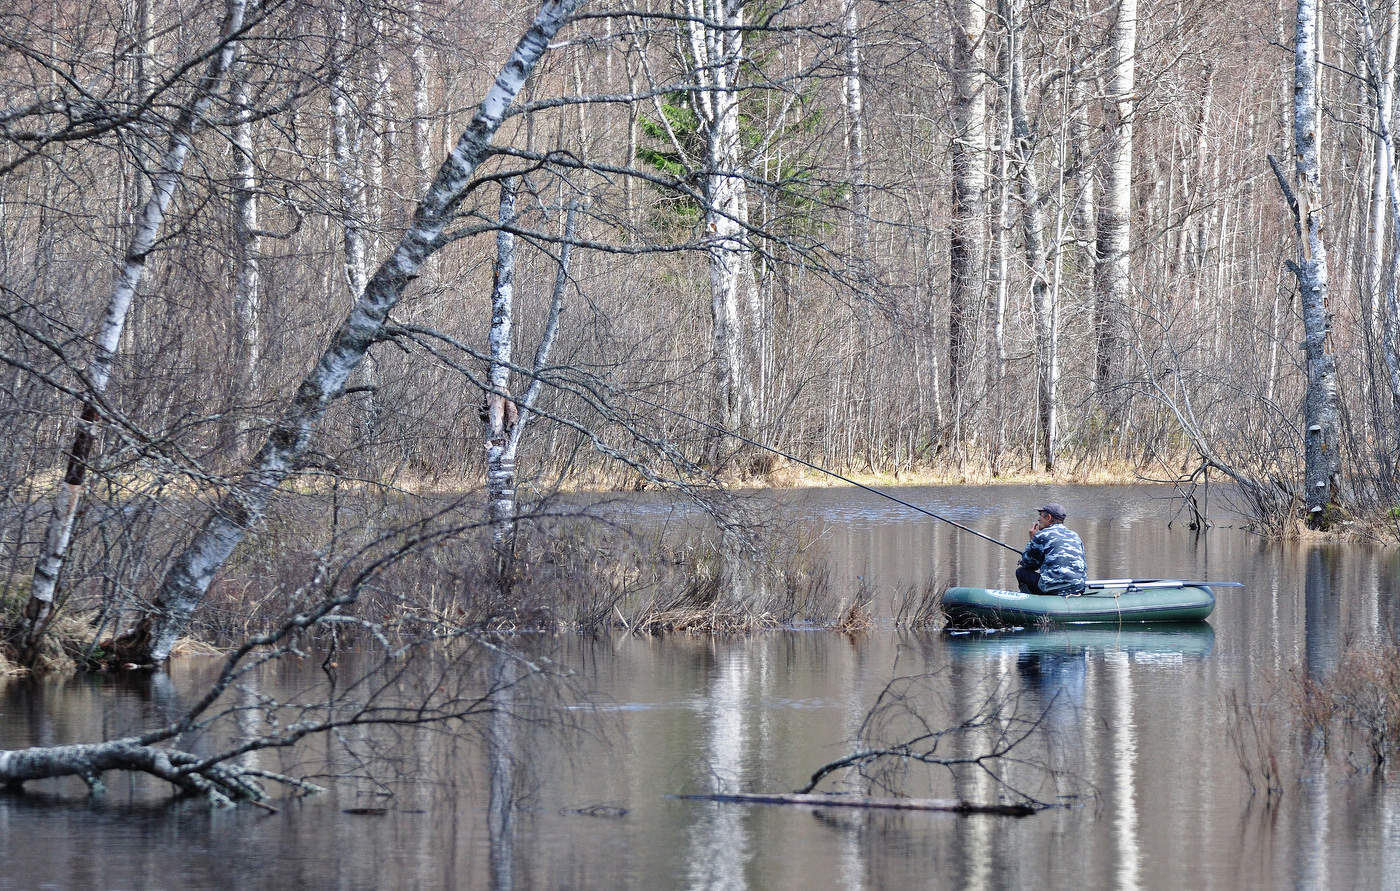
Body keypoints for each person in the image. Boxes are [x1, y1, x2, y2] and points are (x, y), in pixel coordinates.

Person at [1016, 502, 1087, 596]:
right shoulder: (1075, 535)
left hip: (1053, 588)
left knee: (1021, 572)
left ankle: (1029, 600)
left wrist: (1032, 539)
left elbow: (1030, 564)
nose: (1038, 519)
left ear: (1048, 517)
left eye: (1040, 515)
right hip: (1078, 587)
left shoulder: (1042, 535)